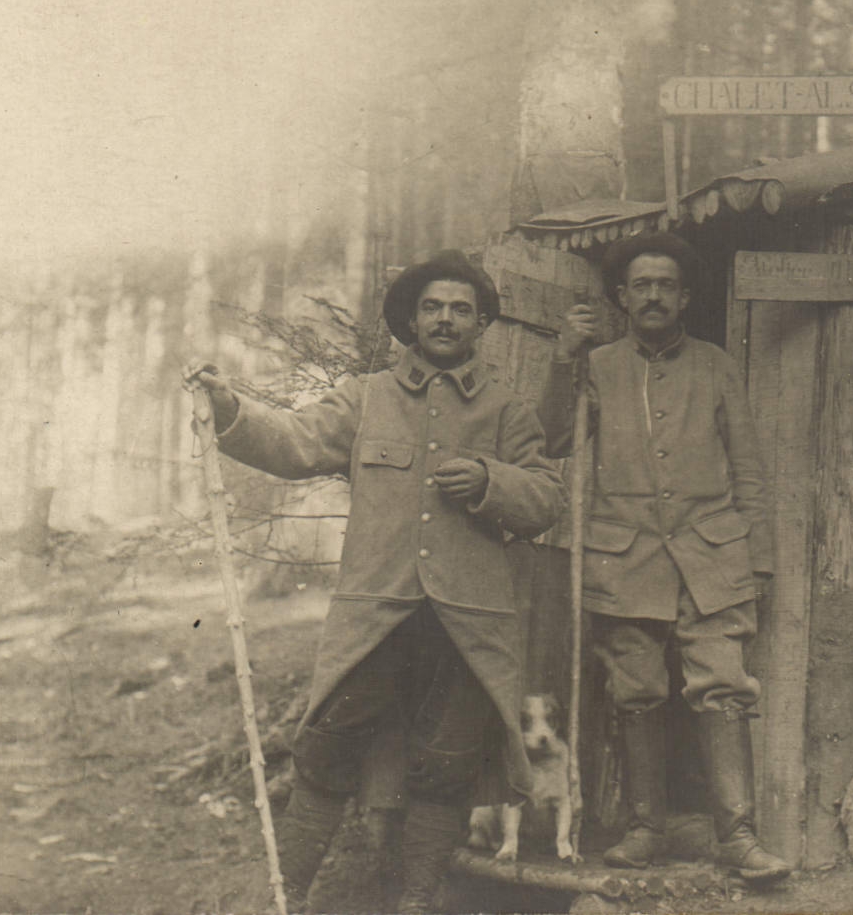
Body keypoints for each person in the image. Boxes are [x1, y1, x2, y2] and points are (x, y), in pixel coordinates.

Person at [190, 251, 563, 913]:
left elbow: (545, 499)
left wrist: (489, 480)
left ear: (481, 324)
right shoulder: (365, 397)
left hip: (468, 623)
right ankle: (284, 896)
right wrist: (228, 407)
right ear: (411, 320)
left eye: (460, 310)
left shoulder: (506, 411)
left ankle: (417, 899)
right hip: (377, 618)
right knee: (327, 751)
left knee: (447, 764)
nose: (445, 319)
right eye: (432, 307)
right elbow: (293, 441)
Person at [537, 232, 791, 885]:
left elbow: (749, 469)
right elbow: (557, 436)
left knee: (723, 690)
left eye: (666, 285)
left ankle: (737, 834)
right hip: (623, 558)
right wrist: (565, 354)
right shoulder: (597, 365)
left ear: (685, 297)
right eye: (641, 285)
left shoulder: (716, 365)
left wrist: (757, 557)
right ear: (621, 297)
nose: (653, 295)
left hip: (713, 555)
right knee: (638, 692)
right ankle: (645, 828)